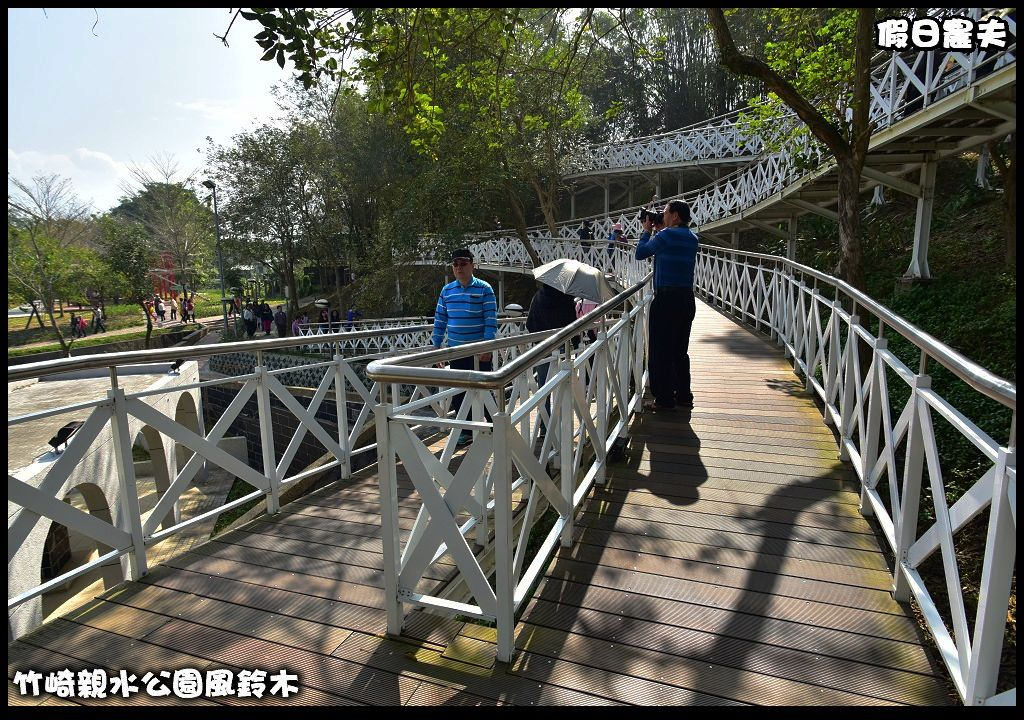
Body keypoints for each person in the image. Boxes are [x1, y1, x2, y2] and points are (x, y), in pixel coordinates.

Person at [635, 200, 699, 414]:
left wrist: (646, 232)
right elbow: (668, 247)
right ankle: (683, 396)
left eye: (665, 212)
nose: (661, 215)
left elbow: (641, 253)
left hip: (666, 299)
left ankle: (663, 399)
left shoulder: (666, 236)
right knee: (680, 351)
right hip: (686, 299)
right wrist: (661, 230)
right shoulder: (692, 238)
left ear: (676, 217)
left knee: (661, 350)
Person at [432, 248, 498, 447]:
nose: (459, 267)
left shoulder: (484, 288)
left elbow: (490, 320)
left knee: (485, 388)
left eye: (463, 263)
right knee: (459, 391)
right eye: (455, 264)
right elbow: (440, 319)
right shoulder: (447, 291)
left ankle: (497, 424)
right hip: (456, 350)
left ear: (472, 265)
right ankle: (466, 429)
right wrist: (436, 347)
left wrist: (486, 346)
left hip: (479, 352)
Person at [525, 283, 578, 437]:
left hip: (543, 348)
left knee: (544, 388)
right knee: (565, 387)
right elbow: (572, 324)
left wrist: (538, 340)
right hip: (563, 349)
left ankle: (544, 427)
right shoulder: (566, 298)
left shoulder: (538, 297)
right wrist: (575, 343)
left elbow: (530, 323)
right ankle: (563, 426)